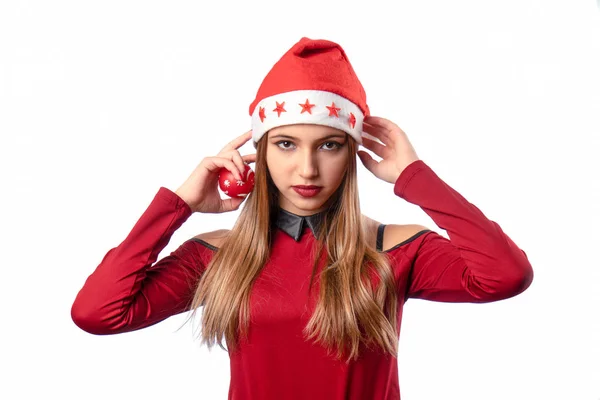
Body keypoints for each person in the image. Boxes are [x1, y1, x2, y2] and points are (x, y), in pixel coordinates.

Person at [71, 37, 534, 399]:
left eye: (328, 145)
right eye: (286, 144)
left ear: (352, 152)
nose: (307, 169)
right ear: (260, 152)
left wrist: (415, 179)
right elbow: (98, 313)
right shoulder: (217, 257)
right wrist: (178, 205)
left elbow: (505, 275)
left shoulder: (394, 249)